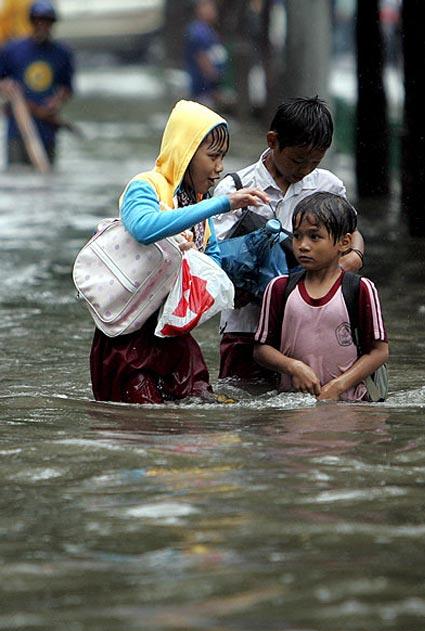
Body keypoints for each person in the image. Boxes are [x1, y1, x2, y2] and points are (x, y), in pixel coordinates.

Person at [89, 99, 269, 405]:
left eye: (222, 157)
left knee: (198, 403)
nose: (220, 167)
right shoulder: (146, 186)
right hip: (126, 337)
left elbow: (210, 264)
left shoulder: (199, 206)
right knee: (141, 420)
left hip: (172, 336)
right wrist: (223, 203)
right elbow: (143, 227)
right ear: (185, 153)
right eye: (213, 156)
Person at [213, 96, 365, 382]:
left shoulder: (327, 186)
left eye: (314, 162)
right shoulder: (236, 188)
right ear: (273, 141)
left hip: (311, 326)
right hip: (245, 326)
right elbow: (213, 255)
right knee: (243, 407)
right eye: (297, 159)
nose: (304, 169)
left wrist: (352, 258)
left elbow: (351, 232)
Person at [254, 192, 389, 401]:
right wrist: (293, 367)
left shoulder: (360, 289)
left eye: (315, 237)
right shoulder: (280, 288)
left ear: (344, 243)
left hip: (351, 403)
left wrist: (336, 387)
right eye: (297, 235)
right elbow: (262, 349)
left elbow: (379, 352)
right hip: (294, 402)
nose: (303, 245)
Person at [0, 0, 74, 166]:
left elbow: (67, 87)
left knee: (45, 177)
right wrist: (8, 89)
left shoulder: (62, 54)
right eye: (38, 20)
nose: (43, 25)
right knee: (17, 174)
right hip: (19, 126)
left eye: (47, 21)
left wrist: (55, 103)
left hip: (47, 128)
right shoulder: (12, 50)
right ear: (32, 22)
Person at [184, 0, 227, 107]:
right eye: (209, 7)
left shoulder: (209, 30)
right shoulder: (198, 31)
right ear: (199, 9)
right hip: (202, 87)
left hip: (210, 88)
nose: (213, 11)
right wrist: (214, 77)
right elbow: (201, 56)